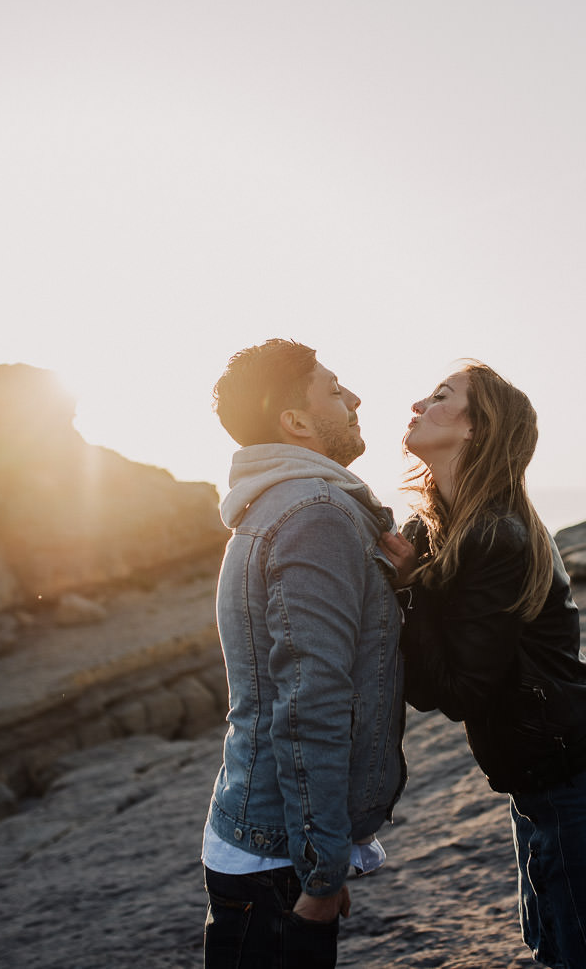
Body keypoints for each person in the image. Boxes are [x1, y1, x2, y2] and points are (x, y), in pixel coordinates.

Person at [394, 362, 586, 969]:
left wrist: (408, 593)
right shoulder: (440, 531)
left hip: (583, 784)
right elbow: (438, 681)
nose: (416, 404)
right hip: (546, 782)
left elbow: (459, 691)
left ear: (474, 430)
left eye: (440, 397)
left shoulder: (495, 537)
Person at [202, 339, 408, 969]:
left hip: (269, 835)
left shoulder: (280, 504)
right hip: (279, 854)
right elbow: (310, 701)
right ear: (294, 421)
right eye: (334, 390)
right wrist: (322, 869)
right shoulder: (314, 513)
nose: (355, 400)